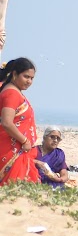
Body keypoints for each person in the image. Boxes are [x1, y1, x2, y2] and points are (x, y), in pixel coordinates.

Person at [0, 57, 38, 185]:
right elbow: (6, 122)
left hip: (16, 149)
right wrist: (24, 140)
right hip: (11, 150)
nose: (29, 81)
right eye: (26, 77)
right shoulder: (12, 93)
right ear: (14, 74)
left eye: (32, 78)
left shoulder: (15, 92)